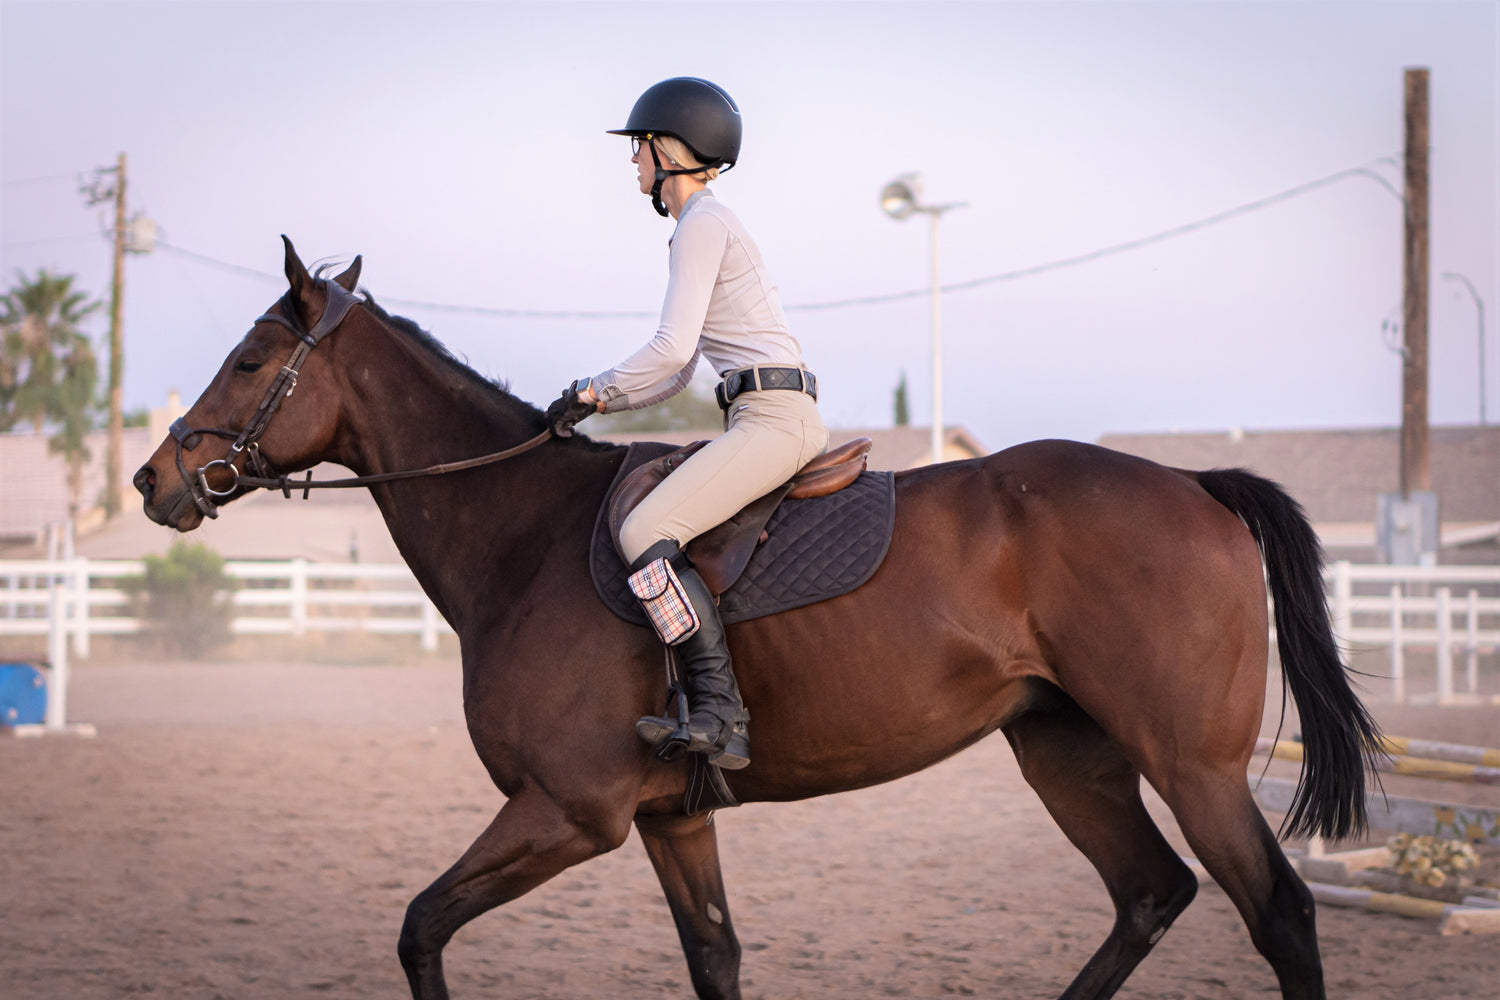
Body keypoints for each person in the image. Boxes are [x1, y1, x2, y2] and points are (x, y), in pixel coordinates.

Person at [544, 77, 827, 770]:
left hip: (772, 418)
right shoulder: (705, 227)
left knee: (643, 529)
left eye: (639, 147)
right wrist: (601, 406)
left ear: (671, 151)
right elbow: (676, 373)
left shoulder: (701, 225)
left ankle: (721, 714)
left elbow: (670, 351)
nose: (633, 161)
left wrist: (587, 389)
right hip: (761, 411)